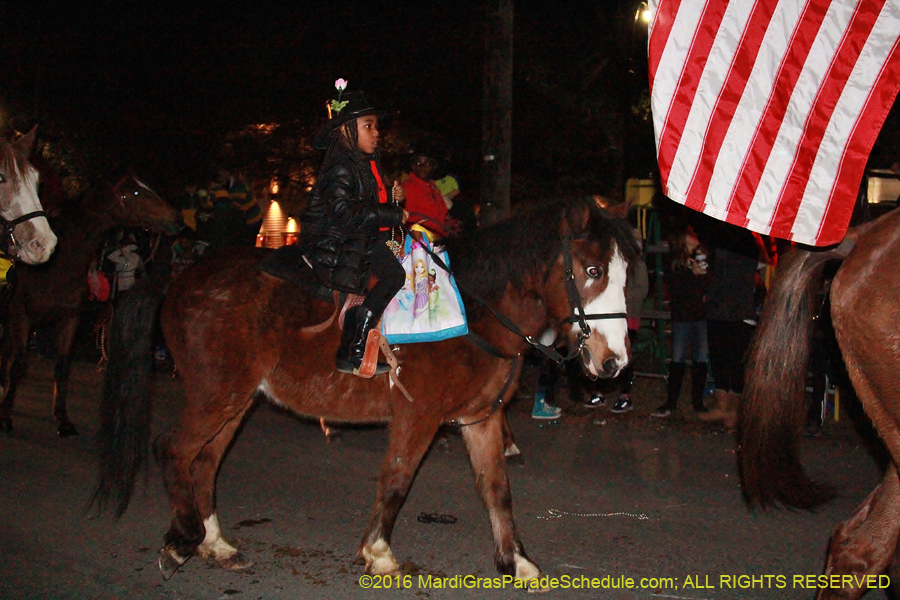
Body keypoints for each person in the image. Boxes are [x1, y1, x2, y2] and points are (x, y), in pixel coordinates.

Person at [262, 83, 408, 376]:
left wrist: (393, 202)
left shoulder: (361, 165)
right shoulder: (342, 166)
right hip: (339, 241)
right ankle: (353, 348)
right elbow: (346, 214)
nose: (376, 133)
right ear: (346, 131)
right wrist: (393, 213)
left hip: (358, 235)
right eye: (368, 126)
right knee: (395, 274)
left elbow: (364, 205)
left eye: (376, 127)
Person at [698, 224, 763, 429]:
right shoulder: (740, 244)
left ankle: (732, 410)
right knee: (726, 360)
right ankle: (726, 408)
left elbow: (726, 277)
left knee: (731, 361)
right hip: (729, 310)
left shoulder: (736, 245)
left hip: (733, 310)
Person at [583, 229, 649, 413]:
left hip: (629, 317)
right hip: (613, 317)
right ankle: (599, 392)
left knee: (624, 357)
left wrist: (621, 301)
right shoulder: (615, 263)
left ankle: (625, 395)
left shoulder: (637, 265)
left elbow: (641, 291)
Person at [402, 143, 459, 238]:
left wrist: (452, 224)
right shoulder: (408, 187)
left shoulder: (433, 188)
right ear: (413, 166)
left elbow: (441, 217)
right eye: (418, 163)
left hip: (437, 242)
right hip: (418, 244)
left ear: (434, 166)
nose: (422, 167)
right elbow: (411, 220)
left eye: (427, 163)